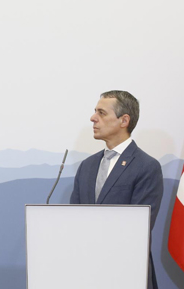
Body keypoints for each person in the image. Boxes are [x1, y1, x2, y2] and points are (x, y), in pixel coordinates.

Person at [70, 90, 163, 289]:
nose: (93, 118)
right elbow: (73, 219)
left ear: (124, 120)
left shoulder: (146, 166)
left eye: (101, 113)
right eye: (95, 112)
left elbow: (139, 227)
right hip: (85, 272)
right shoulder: (87, 166)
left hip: (126, 273)